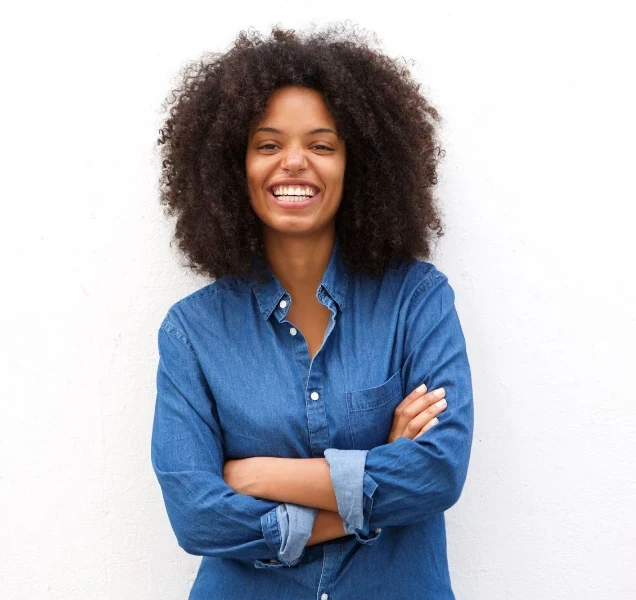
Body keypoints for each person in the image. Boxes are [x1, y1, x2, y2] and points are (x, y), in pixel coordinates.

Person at [151, 25, 474, 600]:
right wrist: (375, 478)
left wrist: (258, 477)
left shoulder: (417, 301)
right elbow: (197, 518)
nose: (294, 163)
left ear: (359, 165)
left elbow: (437, 472)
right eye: (268, 144)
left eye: (321, 145)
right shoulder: (192, 333)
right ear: (233, 165)